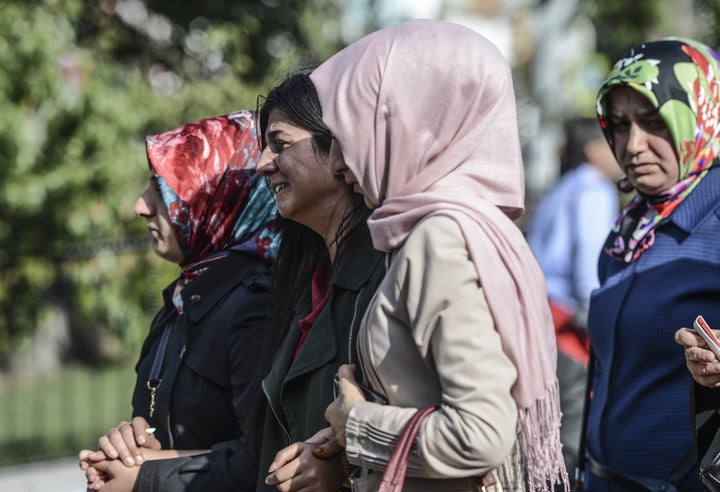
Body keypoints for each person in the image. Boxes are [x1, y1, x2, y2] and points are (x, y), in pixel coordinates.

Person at [309, 19, 568, 491]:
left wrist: (358, 424)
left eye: (357, 127)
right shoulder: (461, 227)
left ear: (414, 123)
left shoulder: (441, 238)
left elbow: (480, 436)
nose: (337, 162)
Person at [78, 111, 280, 491]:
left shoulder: (254, 307)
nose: (141, 206)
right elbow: (170, 438)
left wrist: (145, 476)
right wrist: (131, 447)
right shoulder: (182, 301)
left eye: (163, 188)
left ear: (219, 200)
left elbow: (265, 464)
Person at [583, 38, 720, 491]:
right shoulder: (630, 229)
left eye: (653, 121)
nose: (632, 144)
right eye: (619, 124)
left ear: (697, 114)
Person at [252, 71, 386, 491]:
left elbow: (439, 427)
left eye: (281, 144)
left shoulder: (387, 277)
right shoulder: (309, 283)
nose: (261, 164)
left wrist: (343, 470)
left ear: (340, 144)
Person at [525, 116, 622, 476]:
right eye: (617, 137)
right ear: (594, 149)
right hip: (569, 327)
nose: (626, 150)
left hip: (539, 320)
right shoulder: (594, 189)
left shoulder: (562, 187)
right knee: (571, 448)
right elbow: (589, 273)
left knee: (544, 440)